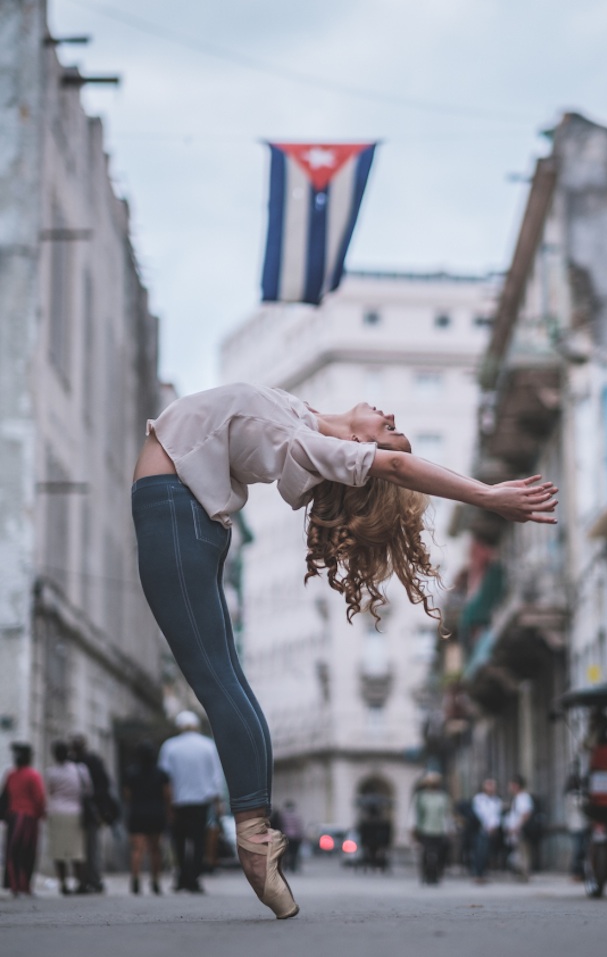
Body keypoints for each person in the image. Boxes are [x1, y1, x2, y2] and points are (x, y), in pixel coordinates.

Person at [130, 382, 558, 919]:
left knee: (219, 684)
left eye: (389, 433)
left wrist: (489, 496)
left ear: (361, 449)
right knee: (226, 681)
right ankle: (257, 836)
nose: (392, 414)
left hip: (173, 514)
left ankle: (255, 842)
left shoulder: (313, 446)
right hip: (183, 515)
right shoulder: (304, 419)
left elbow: (398, 470)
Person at [158, 710, 224, 894]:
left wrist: (167, 803)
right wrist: (218, 801)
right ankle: (194, 878)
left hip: (177, 802)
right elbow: (216, 776)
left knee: (178, 841)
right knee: (198, 840)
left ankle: (182, 876)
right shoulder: (208, 745)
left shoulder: (169, 746)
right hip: (201, 801)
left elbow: (164, 777)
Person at [69, 733, 118, 894]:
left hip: (85, 810)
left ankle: (90, 880)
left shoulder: (77, 763)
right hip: (83, 810)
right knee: (88, 848)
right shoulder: (87, 762)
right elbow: (104, 785)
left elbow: (102, 785)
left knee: (86, 848)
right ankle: (89, 880)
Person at [122, 740, 171, 895]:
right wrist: (169, 812)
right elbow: (167, 795)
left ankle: (135, 878)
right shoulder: (162, 773)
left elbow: (127, 795)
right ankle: (155, 880)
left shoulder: (131, 773)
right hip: (156, 813)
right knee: (155, 849)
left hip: (137, 813)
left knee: (137, 849)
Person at [46, 740, 93, 896]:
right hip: (75, 812)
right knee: (77, 851)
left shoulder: (51, 772)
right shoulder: (80, 770)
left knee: (59, 852)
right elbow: (87, 790)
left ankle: (63, 883)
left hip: (57, 812)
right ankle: (80, 882)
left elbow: (50, 792)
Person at [1, 742, 46, 896]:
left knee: (13, 851)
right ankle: (23, 885)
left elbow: (5, 796)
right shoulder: (33, 775)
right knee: (28, 851)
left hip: (13, 816)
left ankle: (15, 885)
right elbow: (39, 798)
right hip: (29, 818)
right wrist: (41, 814)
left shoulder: (11, 775)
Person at [412, 771, 452, 883]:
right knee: (426, 853)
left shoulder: (443, 797)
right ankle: (426, 874)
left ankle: (436, 874)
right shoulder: (420, 796)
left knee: (439, 854)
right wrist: (413, 828)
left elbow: (446, 814)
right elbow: (415, 813)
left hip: (439, 829)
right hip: (425, 829)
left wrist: (449, 828)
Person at [471, 778, 503, 882]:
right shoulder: (479, 799)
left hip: (493, 829)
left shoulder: (497, 800)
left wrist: (494, 826)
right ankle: (478, 873)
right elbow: (479, 813)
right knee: (480, 851)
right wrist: (486, 825)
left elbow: (497, 815)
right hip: (482, 829)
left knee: (488, 852)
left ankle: (484, 872)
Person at [505, 774, 534, 881]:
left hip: (521, 830)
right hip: (516, 830)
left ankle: (525, 873)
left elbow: (526, 814)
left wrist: (517, 827)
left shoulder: (523, 797)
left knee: (523, 852)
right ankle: (521, 872)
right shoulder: (516, 798)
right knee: (519, 852)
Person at [564, 763, 587, 881]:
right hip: (577, 826)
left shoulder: (574, 796)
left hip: (581, 826)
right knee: (578, 850)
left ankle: (581, 873)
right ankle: (576, 873)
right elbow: (580, 805)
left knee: (582, 850)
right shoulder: (571, 796)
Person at [279, 802, 305, 874]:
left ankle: (286, 866)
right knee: (294, 853)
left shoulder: (283, 815)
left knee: (286, 853)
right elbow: (299, 826)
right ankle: (293, 866)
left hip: (286, 835)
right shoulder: (296, 815)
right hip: (295, 837)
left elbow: (281, 825)